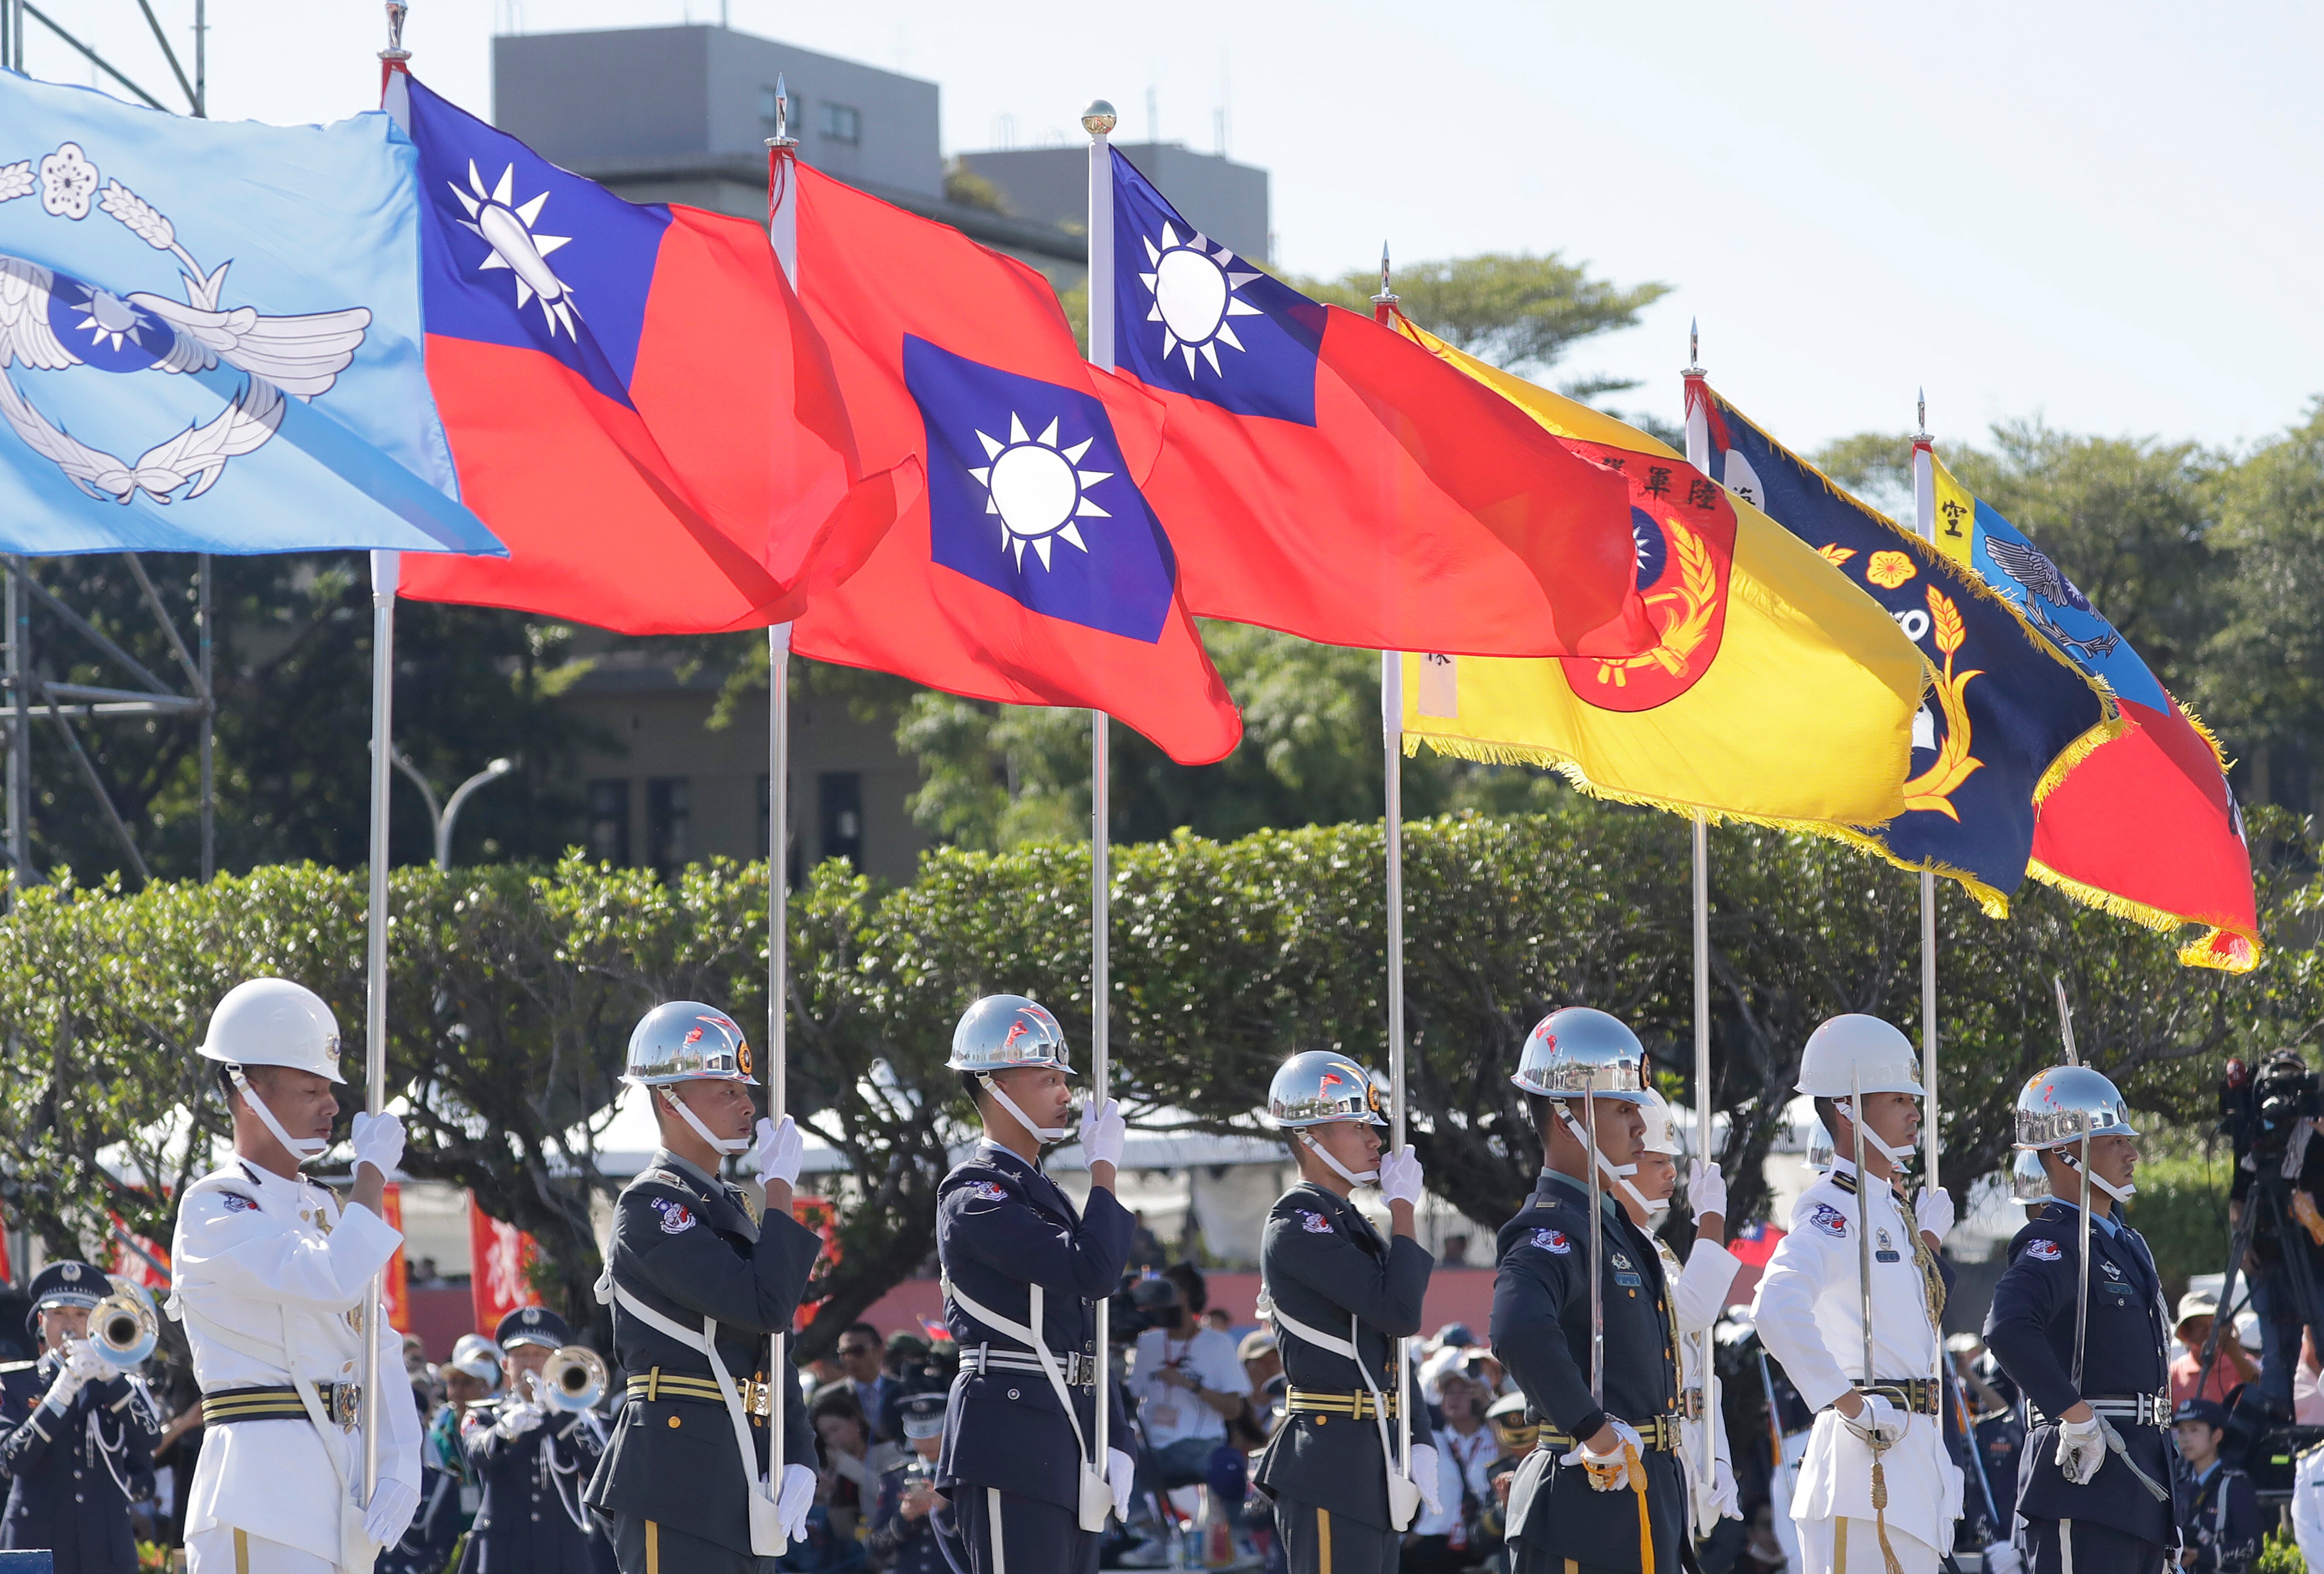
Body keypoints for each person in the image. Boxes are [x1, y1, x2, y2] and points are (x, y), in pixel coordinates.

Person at [169, 977, 423, 1574]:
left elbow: (377, 1347)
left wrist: (402, 1464)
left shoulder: (329, 1210)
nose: (332, 1106)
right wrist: (369, 1179)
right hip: (260, 1496)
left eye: (330, 1089)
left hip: (340, 1491)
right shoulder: (216, 1205)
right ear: (248, 1090)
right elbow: (328, 1280)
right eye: (311, 1088)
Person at [584, 999, 823, 1574]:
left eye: (744, 1091)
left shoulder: (728, 1205)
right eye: (727, 1092)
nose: (747, 1107)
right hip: (679, 1475)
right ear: (671, 1100)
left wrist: (799, 1452)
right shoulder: (652, 1205)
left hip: (747, 1465)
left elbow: (774, 1345)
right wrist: (781, 1193)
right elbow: (763, 1304)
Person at [1750, 1014, 1965, 1574]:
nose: (1915, 1112)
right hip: (1864, 1467)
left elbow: (1906, 1323)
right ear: (1847, 1109)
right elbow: (1775, 1305)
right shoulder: (1836, 1208)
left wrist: (1927, 1243)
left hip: (1911, 1465)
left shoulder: (1888, 1206)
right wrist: (1847, 1403)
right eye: (1898, 1098)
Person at [936, 993, 1134, 1574]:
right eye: (1047, 1078)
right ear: (995, 1085)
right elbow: (1091, 1272)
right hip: (1010, 1438)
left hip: (1065, 1434)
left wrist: (1114, 1430)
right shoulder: (976, 1193)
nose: (1065, 1095)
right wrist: (1104, 1173)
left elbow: (1084, 1333)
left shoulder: (1040, 1193)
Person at [1492, 1007, 1682, 1574]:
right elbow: (1518, 1331)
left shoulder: (1610, 1226)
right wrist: (1594, 1432)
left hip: (1638, 1503)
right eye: (1624, 1109)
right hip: (1587, 1510)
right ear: (1565, 1115)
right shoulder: (1553, 1228)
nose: (1640, 1128)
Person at [1252, 1048, 1439, 1574]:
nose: (1377, 1139)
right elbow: (1399, 1312)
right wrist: (1403, 1208)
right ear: (1310, 1136)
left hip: (1372, 1454)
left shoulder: (1345, 1221)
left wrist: (1419, 1436)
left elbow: (1392, 1348)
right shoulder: (1298, 1224)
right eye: (1359, 1127)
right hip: (1331, 1463)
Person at [1984, 1064, 2176, 1574]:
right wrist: (2076, 1416)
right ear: (2065, 1154)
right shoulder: (2057, 1241)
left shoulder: (2124, 1242)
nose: (2132, 1153)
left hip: (2140, 1489)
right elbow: (2008, 1328)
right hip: (2085, 1485)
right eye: (2114, 1141)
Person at [1626, 1086, 1743, 1542]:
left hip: (1686, 1449)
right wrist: (1711, 1218)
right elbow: (1693, 1311)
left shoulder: (1655, 1246)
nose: (1671, 1173)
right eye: (1658, 1161)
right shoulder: (1620, 1244)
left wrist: (1718, 1458)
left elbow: (1699, 1374)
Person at [0, 1260, 163, 1573]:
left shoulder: (121, 1385)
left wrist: (114, 1382)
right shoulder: (15, 1383)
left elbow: (148, 1443)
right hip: (36, 1544)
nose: (70, 1325)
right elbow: (12, 1461)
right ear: (41, 1320)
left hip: (106, 1547)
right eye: (59, 1314)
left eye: (81, 1314)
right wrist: (58, 1396)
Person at [457, 1307, 608, 1574]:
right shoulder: (485, 1415)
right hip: (502, 1550)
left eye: (540, 1355)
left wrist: (562, 1416)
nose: (530, 1364)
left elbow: (601, 1470)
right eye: (521, 1356)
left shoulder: (582, 1419)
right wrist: (504, 1432)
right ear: (505, 1365)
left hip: (565, 1550)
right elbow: (474, 1454)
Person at [1127, 1267, 1250, 1501]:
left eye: (1169, 1289)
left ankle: (1239, 1535)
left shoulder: (1218, 1343)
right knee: (1113, 1461)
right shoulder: (1148, 1343)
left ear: (1187, 1294)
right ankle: (1142, 1531)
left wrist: (1191, 1385)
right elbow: (1131, 1398)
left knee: (1229, 1468)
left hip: (1201, 1446)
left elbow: (1235, 1409)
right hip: (1153, 1447)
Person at [867, 1392, 964, 1574]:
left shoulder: (964, 1477)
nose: (925, 1441)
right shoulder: (894, 1478)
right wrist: (905, 1517)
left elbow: (983, 1538)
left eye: (933, 1433)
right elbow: (878, 1546)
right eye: (918, 1434)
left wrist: (946, 1508)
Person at [2170, 1399, 2257, 1574]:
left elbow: (2252, 1546)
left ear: (2217, 1435)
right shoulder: (2178, 1485)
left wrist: (2201, 1555)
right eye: (2181, 1431)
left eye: (2194, 1430)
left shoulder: (2236, 1484)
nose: (2186, 1439)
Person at [806, 1385, 896, 1545]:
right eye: (826, 1436)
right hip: (846, 1550)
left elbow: (888, 1492)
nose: (832, 1439)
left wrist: (847, 1465)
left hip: (884, 1541)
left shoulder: (889, 1452)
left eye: (836, 1430)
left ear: (855, 1422)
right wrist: (821, 1494)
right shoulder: (833, 1466)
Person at [2167, 1294, 2258, 1407]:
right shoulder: (2174, 1373)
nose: (2210, 1331)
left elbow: (2263, 1389)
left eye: (2215, 1324)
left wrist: (2234, 1353)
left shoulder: (2240, 1363)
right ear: (2186, 1331)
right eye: (2200, 1326)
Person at [832, 1325, 893, 1444]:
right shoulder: (830, 1399)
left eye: (858, 1352)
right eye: (844, 1353)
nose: (850, 1359)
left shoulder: (902, 1390)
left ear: (880, 1351)